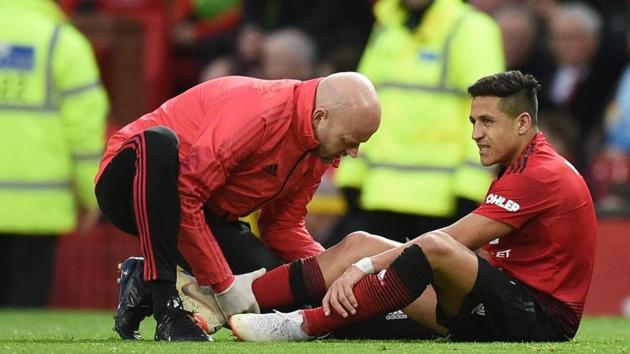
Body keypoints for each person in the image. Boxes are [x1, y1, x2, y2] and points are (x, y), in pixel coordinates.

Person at [226, 71, 598, 342]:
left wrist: (367, 268)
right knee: (359, 241)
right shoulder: (520, 167)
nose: (475, 134)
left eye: (487, 121)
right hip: (496, 301)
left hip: (539, 320)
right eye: (472, 121)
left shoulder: (540, 174)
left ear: (523, 123)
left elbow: (456, 240)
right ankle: (231, 299)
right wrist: (368, 260)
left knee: (430, 248)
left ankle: (300, 326)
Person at [94, 72, 381, 341]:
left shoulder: (320, 146)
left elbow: (283, 227)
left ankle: (142, 281)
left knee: (281, 297)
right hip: (131, 180)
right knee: (159, 143)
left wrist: (330, 273)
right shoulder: (261, 114)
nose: (353, 153)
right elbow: (186, 194)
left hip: (200, 207)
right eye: (349, 141)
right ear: (320, 117)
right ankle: (165, 302)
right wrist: (222, 283)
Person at [330, 0, 504, 246]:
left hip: (442, 204)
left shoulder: (471, 28)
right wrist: (351, 177)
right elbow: (365, 105)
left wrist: (470, 189)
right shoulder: (387, 28)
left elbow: (489, 111)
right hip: (379, 196)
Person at [0, 0, 108, 307]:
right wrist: (92, 194)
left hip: (39, 207)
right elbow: (85, 127)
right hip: (38, 207)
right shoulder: (61, 42)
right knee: (23, 318)